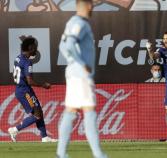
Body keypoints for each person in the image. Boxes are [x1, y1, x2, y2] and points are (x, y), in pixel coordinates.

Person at [56, 0, 107, 158]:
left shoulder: (72, 22)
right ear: (89, 6)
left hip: (73, 74)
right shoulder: (81, 23)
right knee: (89, 111)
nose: (93, 8)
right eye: (92, 5)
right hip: (81, 76)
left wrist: (72, 62)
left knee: (70, 111)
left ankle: (61, 154)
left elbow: (63, 47)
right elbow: (70, 45)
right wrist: (81, 64)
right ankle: (99, 155)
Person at [8, 37, 57, 142]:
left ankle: (44, 137)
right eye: (35, 48)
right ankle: (15, 129)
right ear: (30, 48)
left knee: (39, 111)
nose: (36, 50)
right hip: (24, 91)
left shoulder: (18, 58)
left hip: (23, 90)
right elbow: (29, 81)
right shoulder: (27, 62)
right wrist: (43, 85)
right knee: (37, 114)